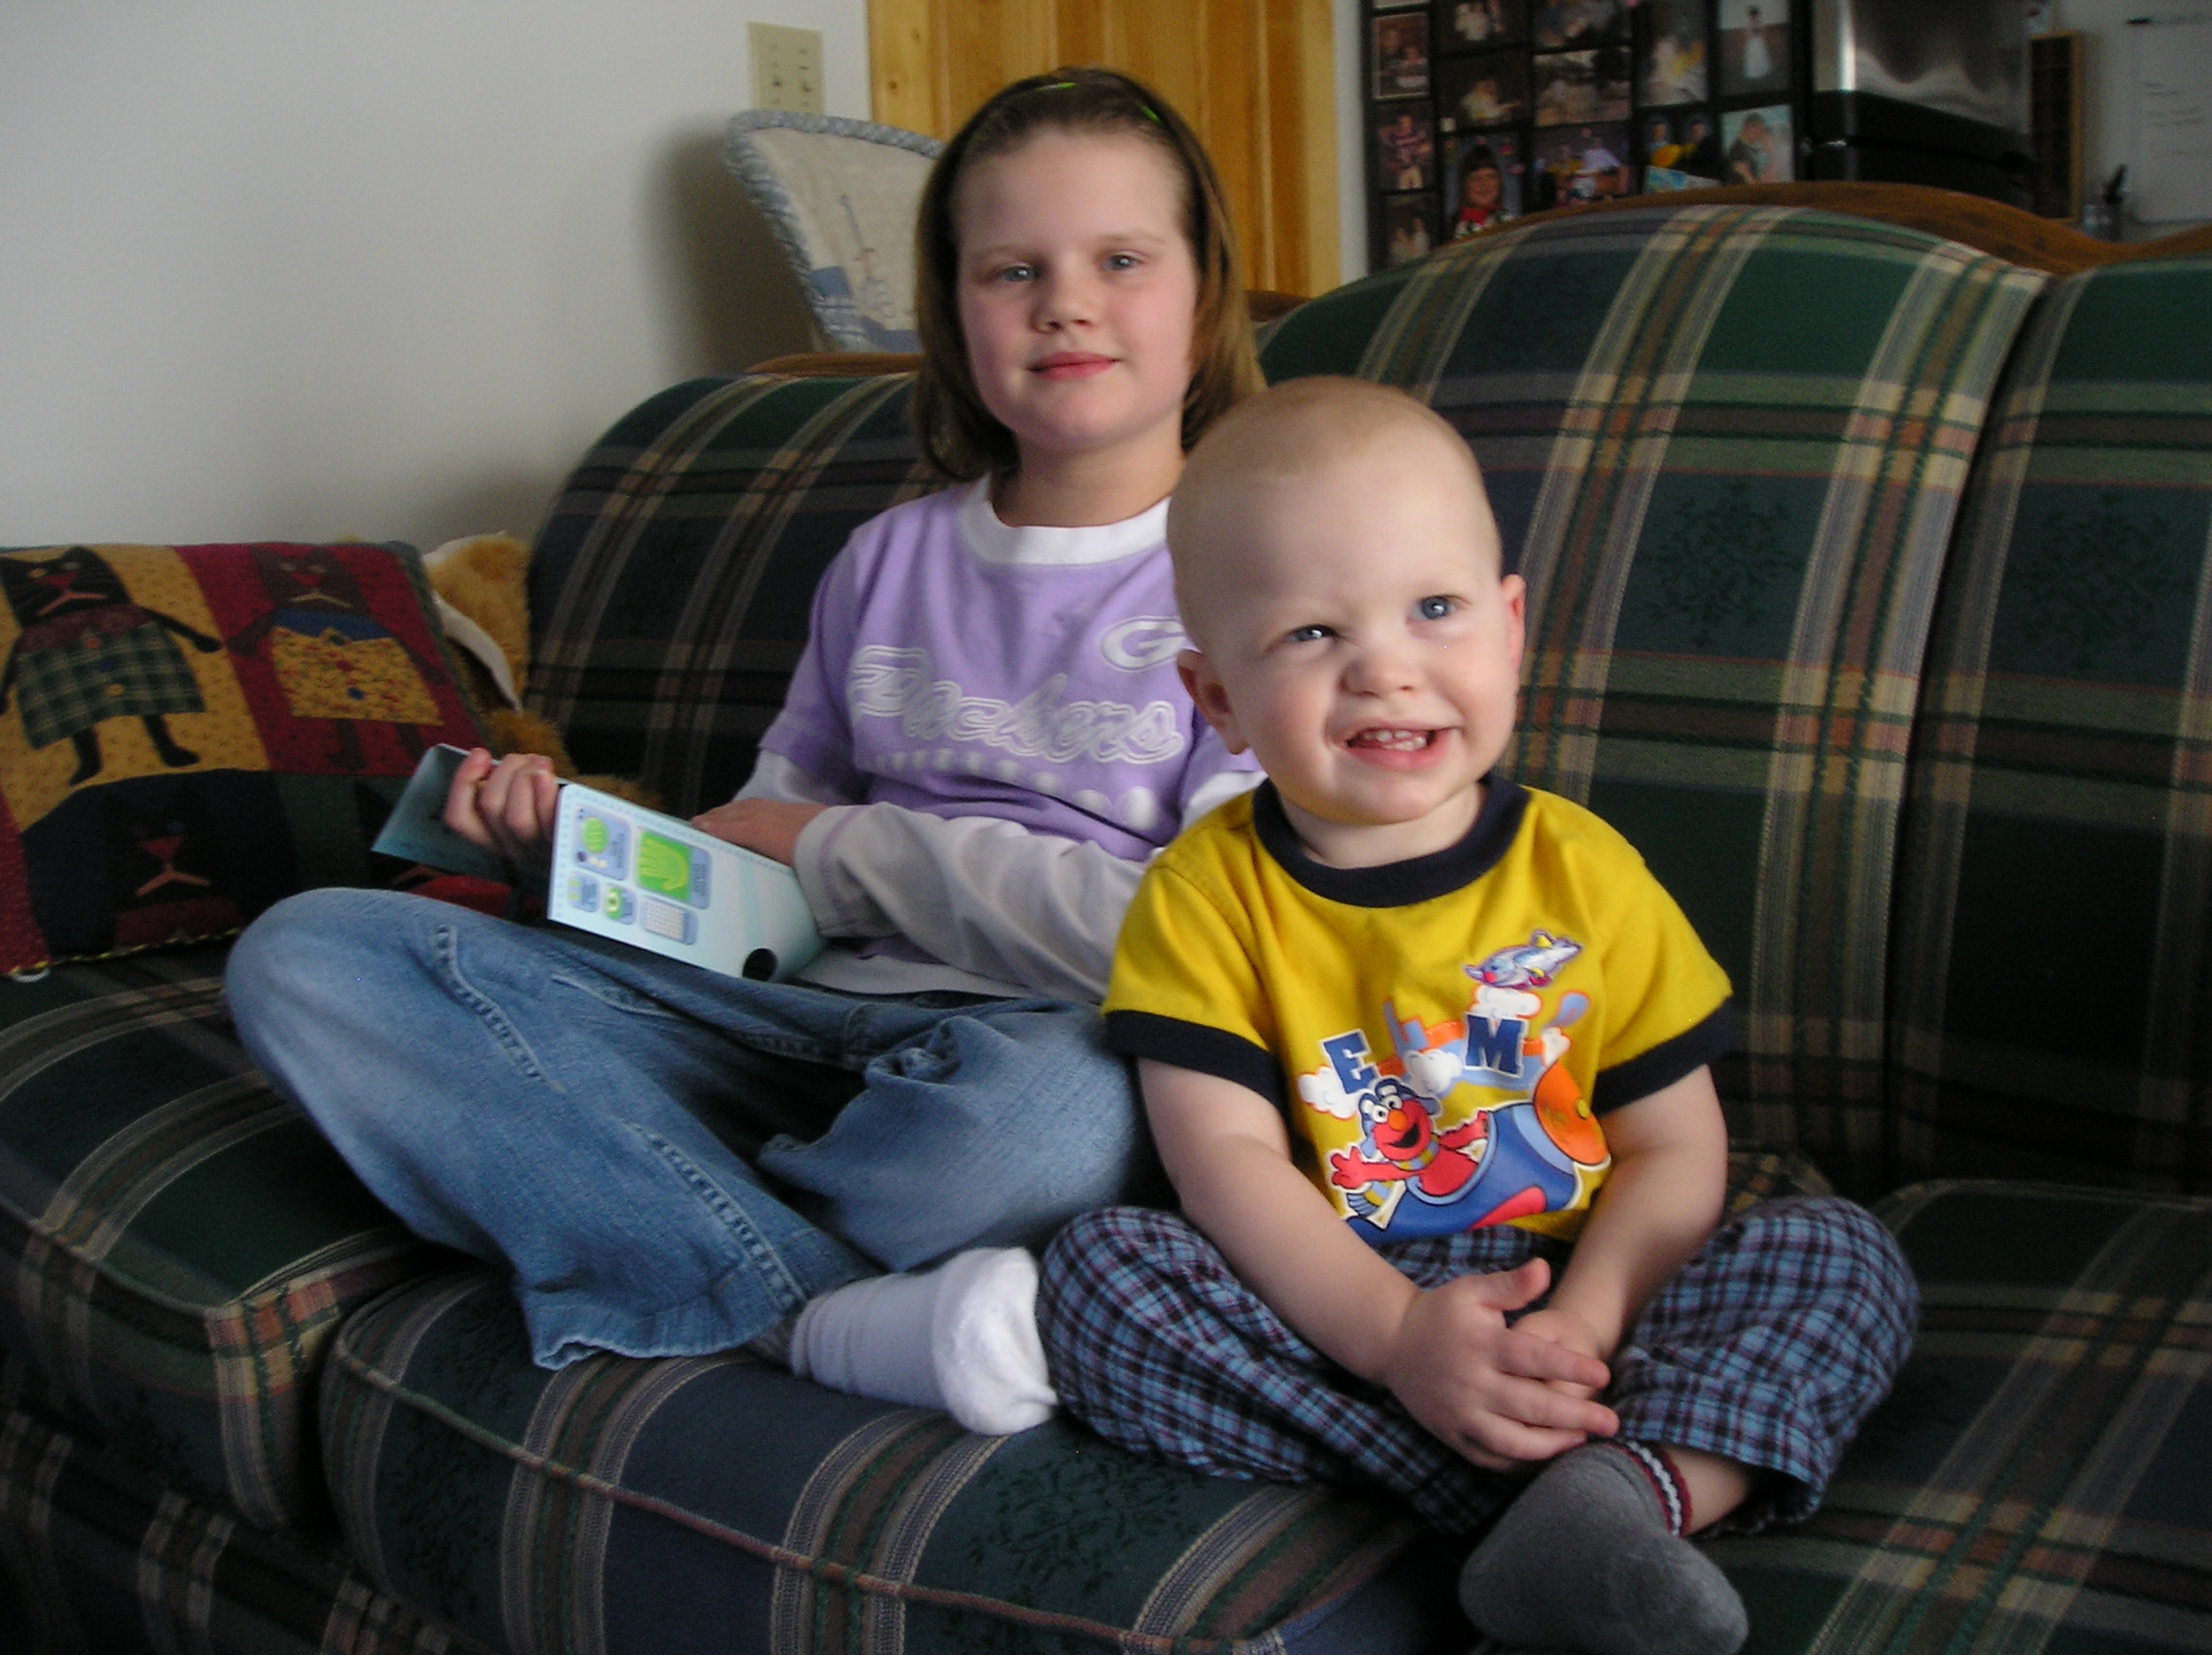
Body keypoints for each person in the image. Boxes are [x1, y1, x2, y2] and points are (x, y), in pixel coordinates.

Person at [224, 67, 1264, 1439]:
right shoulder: (885, 561)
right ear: (955, 313)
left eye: (1120, 259)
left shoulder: (1255, 573)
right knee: (310, 959)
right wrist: (577, 865)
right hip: (786, 1028)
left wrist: (847, 850)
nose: (1064, 302)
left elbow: (1209, 945)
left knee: (1037, 1136)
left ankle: (663, 1216)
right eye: (1010, 268)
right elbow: (758, 886)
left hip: (1034, 1051)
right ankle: (816, 1309)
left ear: (1202, 297)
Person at [1036, 377, 1915, 1655]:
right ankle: (1552, 1504)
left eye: (1433, 609)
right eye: (1307, 636)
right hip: (1339, 1300)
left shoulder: (1584, 870)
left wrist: (1582, 1326)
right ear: (1214, 695)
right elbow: (1219, 1162)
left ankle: (1624, 1488)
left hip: (1596, 1285)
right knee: (1103, 1280)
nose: (1385, 668)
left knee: (1840, 1251)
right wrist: (1398, 1340)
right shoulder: (1202, 893)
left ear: (1508, 630)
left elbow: (1674, 1150)